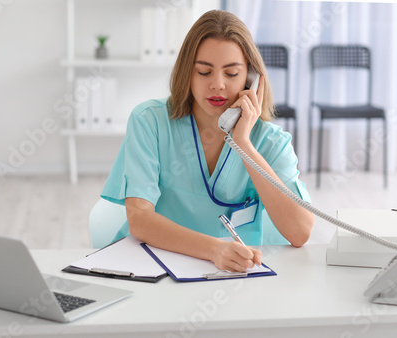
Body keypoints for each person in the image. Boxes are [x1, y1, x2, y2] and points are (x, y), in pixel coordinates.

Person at [101, 10, 313, 272]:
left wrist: (244, 145)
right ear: (187, 73)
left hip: (229, 277)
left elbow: (299, 232)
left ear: (252, 80)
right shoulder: (149, 121)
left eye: (232, 73)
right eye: (204, 72)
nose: (217, 85)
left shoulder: (270, 142)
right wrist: (214, 250)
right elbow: (140, 219)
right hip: (151, 266)